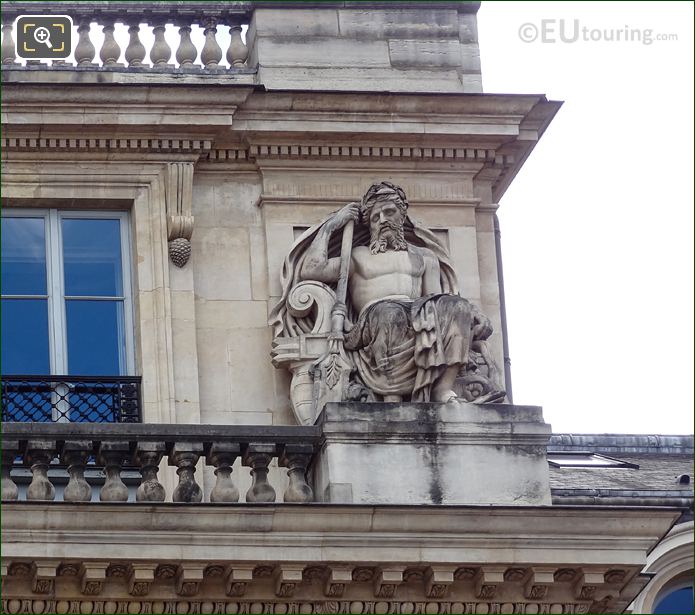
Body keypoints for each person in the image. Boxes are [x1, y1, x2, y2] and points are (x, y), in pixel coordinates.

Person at [297, 181, 498, 403]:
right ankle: (390, 394)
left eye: (389, 212)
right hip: (374, 319)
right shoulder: (357, 256)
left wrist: (469, 311)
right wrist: (332, 225)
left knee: (456, 306)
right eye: (376, 217)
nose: (383, 219)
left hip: (417, 314)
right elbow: (311, 269)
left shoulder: (425, 257)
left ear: (401, 217)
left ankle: (443, 388)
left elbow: (434, 298)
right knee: (389, 312)